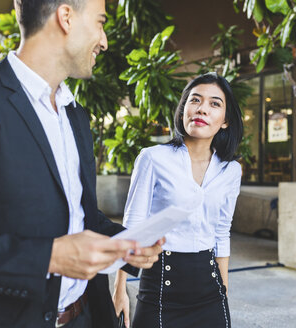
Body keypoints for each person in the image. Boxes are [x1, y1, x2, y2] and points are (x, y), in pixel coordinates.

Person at [0, 0, 164, 327]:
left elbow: (78, 214)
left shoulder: (75, 115)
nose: (104, 41)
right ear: (66, 17)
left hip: (82, 316)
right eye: (100, 22)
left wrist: (127, 246)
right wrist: (49, 257)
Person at [113, 73, 244, 328]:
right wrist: (121, 289)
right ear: (184, 108)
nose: (202, 109)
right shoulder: (152, 158)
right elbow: (133, 228)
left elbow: (221, 232)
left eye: (214, 104)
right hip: (160, 286)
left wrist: (224, 290)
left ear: (226, 121)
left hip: (210, 289)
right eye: (195, 100)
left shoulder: (231, 171)